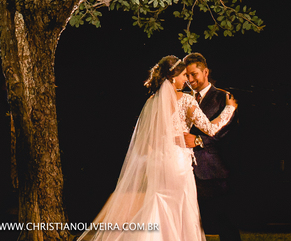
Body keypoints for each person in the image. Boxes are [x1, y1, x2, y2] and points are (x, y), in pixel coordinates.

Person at [78, 55, 237, 240]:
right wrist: (229, 109)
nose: (187, 80)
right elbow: (210, 129)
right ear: (172, 77)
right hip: (177, 162)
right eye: (184, 75)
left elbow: (147, 141)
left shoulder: (151, 102)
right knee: (181, 207)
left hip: (157, 162)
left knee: (158, 203)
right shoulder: (186, 100)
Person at [182, 53, 241, 241]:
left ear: (205, 72)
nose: (190, 80)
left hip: (213, 172)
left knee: (226, 224)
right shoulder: (182, 98)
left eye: (194, 74)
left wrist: (199, 140)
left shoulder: (223, 97)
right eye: (187, 75)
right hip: (185, 171)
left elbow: (228, 132)